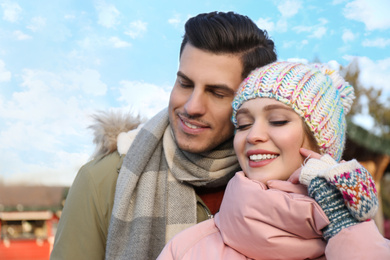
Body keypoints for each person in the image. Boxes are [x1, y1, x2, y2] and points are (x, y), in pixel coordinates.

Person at [50, 11, 277, 260]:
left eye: (217, 93)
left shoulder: (283, 184)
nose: (191, 107)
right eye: (185, 84)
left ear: (251, 101)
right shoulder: (101, 181)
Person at [157, 61, 390, 259]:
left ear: (321, 144)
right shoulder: (187, 249)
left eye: (277, 120)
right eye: (244, 124)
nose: (253, 135)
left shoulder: (363, 240)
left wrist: (344, 224)